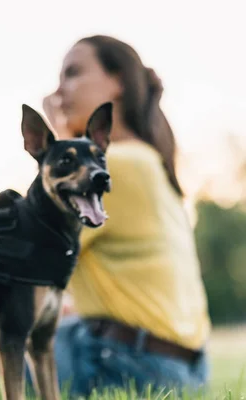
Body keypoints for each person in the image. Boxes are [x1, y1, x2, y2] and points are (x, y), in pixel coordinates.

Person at [41, 35, 211, 396]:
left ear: (117, 81)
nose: (58, 92)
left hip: (132, 366)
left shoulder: (116, 164)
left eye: (72, 73)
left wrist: (57, 147)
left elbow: (27, 247)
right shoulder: (145, 159)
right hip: (180, 367)